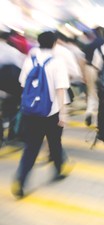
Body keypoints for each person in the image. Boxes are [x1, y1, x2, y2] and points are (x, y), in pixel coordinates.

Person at [11, 31, 70, 198]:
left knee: (31, 148)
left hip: (31, 112)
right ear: (54, 43)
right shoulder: (57, 62)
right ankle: (58, 170)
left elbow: (23, 83)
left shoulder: (30, 59)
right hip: (52, 112)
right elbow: (61, 89)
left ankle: (21, 181)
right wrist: (63, 114)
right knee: (55, 143)